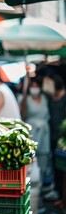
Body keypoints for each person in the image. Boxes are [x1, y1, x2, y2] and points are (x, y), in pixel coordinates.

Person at [19, 76, 54, 199]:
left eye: (36, 86)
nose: (34, 89)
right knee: (30, 165)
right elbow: (22, 115)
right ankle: (29, 194)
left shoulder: (45, 98)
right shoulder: (25, 99)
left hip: (44, 134)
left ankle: (40, 195)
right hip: (32, 133)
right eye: (32, 86)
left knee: (44, 162)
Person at [49, 75, 66, 204]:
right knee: (57, 166)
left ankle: (62, 197)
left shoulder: (64, 98)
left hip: (62, 139)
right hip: (53, 137)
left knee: (62, 169)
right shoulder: (51, 97)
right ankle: (59, 195)